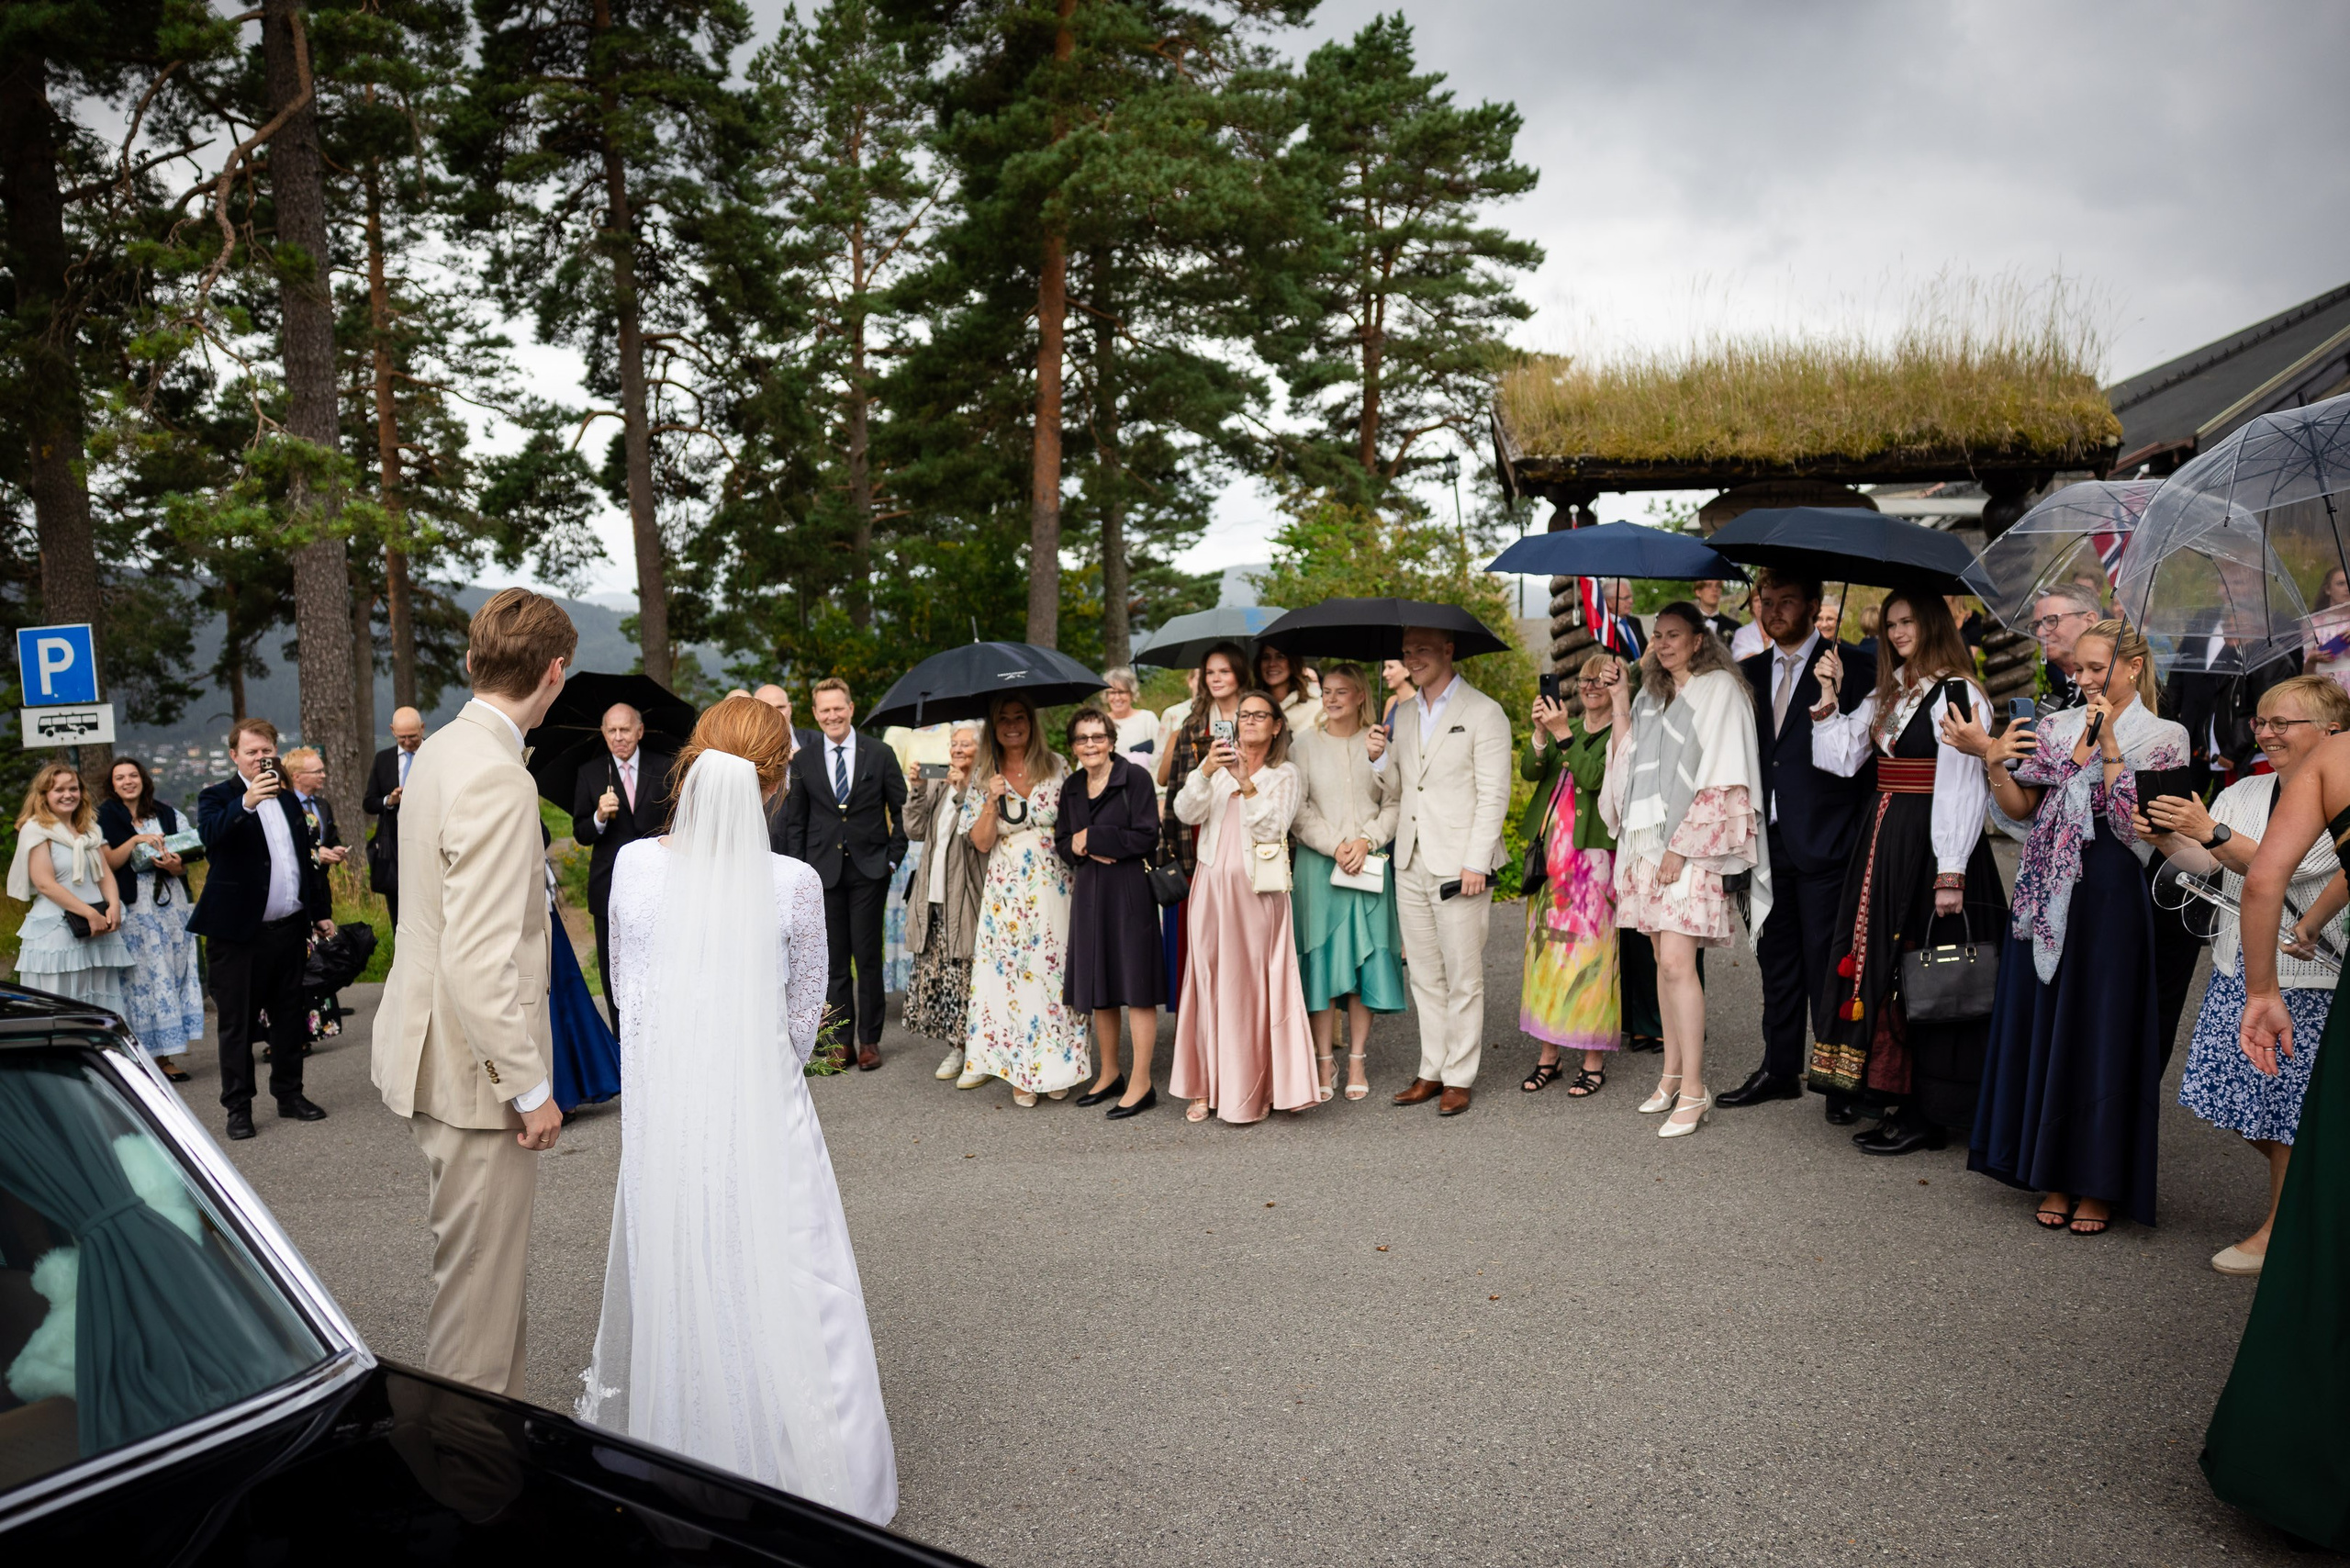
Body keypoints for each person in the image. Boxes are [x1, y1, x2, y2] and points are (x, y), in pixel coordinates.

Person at [579, 694, 897, 1524]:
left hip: (668, 1121)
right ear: (775, 783)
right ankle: (812, 1472)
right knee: (792, 1282)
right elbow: (800, 1024)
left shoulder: (634, 869)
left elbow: (629, 1000)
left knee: (687, 1273)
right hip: (764, 1116)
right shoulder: (793, 885)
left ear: (690, 764)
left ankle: (692, 1454)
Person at [371, 588, 576, 1395]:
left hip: (429, 1050)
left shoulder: (441, 750)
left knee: (483, 1291)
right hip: (473, 1076)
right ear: (554, 672)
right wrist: (528, 1088)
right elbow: (478, 958)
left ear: (470, 661)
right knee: (476, 1316)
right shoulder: (497, 778)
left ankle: (494, 1451)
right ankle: (466, 1464)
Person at [1961, 619, 2187, 1236]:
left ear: (2133, 668)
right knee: (2047, 1021)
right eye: (2076, 668)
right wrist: (1995, 763)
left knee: (2099, 1028)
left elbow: (2136, 828)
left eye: (2095, 668)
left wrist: (2108, 743)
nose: (2082, 678)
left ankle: (2098, 1181)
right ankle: (2051, 1171)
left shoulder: (2166, 735)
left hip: (2112, 892)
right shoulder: (2054, 727)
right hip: (2044, 888)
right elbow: (2020, 814)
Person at [2139, 675, 2350, 1274]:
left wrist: (2212, 831)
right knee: (2228, 1097)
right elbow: (2206, 865)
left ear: (2332, 733)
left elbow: (2290, 869)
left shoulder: (2340, 795)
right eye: (2261, 721)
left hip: (2306, 976)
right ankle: (2313, 1195)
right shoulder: (2246, 789)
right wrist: (2168, 837)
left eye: (2283, 723)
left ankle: (2281, 1232)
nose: (2266, 733)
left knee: (2286, 1113)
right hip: (2239, 966)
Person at [2200, 727, 2350, 1551]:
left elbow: (2264, 881)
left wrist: (2262, 991)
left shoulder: (2334, 757)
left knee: (2335, 1217)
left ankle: (2303, 1465)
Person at [1807, 590, 2006, 1155]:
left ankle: (1930, 1111)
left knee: (1930, 970)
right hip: (1885, 838)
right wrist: (1829, 694)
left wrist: (1951, 871)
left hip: (1932, 845)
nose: (1897, 633)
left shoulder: (1958, 692)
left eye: (1909, 621)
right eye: (1891, 624)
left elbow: (1961, 786)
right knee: (1888, 967)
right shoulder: (1892, 690)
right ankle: (1896, 1097)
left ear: (1934, 623)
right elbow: (1839, 758)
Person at [1601, 603, 1771, 1139]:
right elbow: (1626, 767)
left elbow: (1725, 776)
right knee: (1661, 960)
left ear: (1699, 639)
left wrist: (1681, 846)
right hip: (1645, 846)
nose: (1664, 643)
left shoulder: (1720, 690)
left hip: (1692, 847)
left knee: (1678, 962)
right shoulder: (1651, 696)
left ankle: (1695, 1089)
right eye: (1658, 635)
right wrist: (1621, 701)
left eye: (1674, 634)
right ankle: (1671, 1075)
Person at [1720, 570, 1876, 1119]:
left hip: (1829, 843)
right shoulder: (1745, 674)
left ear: (1814, 605)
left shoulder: (1855, 667)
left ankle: (1838, 1081)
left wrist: (1857, 834)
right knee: (1776, 962)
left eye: (1787, 600)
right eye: (1767, 601)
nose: (1774, 610)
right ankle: (1779, 1068)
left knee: (1829, 966)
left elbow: (1868, 761)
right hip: (1764, 842)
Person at [1379, 624, 1513, 1116]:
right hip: (1410, 858)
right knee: (1425, 976)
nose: (1412, 658)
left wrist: (1476, 860)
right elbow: (1400, 788)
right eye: (1407, 651)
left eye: (1422, 650)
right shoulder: (1403, 712)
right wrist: (1378, 759)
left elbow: (1494, 793)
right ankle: (1431, 1069)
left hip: (1460, 864)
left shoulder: (1484, 711)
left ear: (1448, 650)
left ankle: (1459, 1075)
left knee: (1463, 975)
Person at [1170, 689, 1314, 1123]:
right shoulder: (1214, 768)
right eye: (1243, 714)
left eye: (1259, 715)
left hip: (1258, 893)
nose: (1249, 721)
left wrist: (1246, 783)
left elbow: (1273, 829)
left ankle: (1258, 1087)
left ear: (1276, 726)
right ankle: (1203, 1085)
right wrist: (1206, 770)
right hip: (1211, 889)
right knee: (1208, 981)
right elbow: (1184, 812)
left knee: (1252, 988)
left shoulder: (1285, 774)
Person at [190, 719, 335, 1141]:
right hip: (237, 935)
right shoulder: (217, 797)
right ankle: (238, 1107)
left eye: (266, 751)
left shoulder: (288, 800)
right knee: (237, 1024)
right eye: (251, 752)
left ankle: (290, 1095)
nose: (260, 758)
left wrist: (319, 912)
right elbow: (210, 838)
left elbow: (304, 860)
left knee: (289, 1018)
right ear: (234, 756)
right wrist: (247, 802)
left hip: (288, 930)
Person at [958, 695, 1091, 1103]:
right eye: (1004, 719)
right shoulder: (983, 775)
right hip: (1008, 889)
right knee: (1014, 976)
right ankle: (1022, 1070)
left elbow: (1077, 819)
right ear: (993, 727)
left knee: (1056, 971)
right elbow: (981, 842)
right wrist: (990, 799)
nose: (1012, 725)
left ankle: (1060, 1066)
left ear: (1031, 723)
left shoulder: (1056, 765)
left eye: (1020, 718)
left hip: (1056, 883)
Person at [779, 678, 908, 1070]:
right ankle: (839, 1041)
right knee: (832, 961)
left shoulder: (879, 753)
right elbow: (797, 822)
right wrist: (800, 873)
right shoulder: (804, 760)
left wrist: (892, 859)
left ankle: (869, 1040)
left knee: (868, 958)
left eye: (838, 708)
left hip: (870, 870)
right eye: (825, 710)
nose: (832, 715)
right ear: (815, 714)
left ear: (850, 709)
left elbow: (901, 810)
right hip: (823, 874)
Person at [1289, 662, 1403, 1103]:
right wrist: (1335, 845)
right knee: (1321, 962)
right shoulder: (1303, 745)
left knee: (1364, 960)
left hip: (1368, 864)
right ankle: (1324, 1060)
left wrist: (1366, 840)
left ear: (1360, 696)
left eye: (1341, 691)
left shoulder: (1380, 742)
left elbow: (1395, 802)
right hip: (1320, 867)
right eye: (1327, 691)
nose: (1332, 699)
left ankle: (1356, 1059)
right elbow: (1298, 810)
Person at [1518, 654, 1625, 1098]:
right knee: (1546, 956)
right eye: (1584, 679)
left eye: (1601, 680)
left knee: (1591, 960)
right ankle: (1549, 1055)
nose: (1591, 686)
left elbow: (1597, 779)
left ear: (1617, 686)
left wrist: (1563, 735)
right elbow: (1530, 771)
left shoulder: (1621, 734)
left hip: (1592, 865)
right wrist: (1542, 734)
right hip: (1551, 861)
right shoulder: (1571, 728)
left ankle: (1592, 1059)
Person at [1057, 708, 1167, 1117]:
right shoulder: (1072, 786)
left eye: (1098, 737)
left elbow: (1147, 836)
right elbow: (1063, 842)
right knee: (1099, 986)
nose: (1091, 745)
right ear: (1073, 746)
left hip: (1129, 890)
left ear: (1111, 741)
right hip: (1089, 893)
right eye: (1082, 738)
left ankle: (1142, 1082)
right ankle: (1109, 1073)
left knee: (1137, 987)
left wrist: (1093, 838)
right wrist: (1078, 845)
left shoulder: (1134, 777)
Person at [573, 703, 678, 1043]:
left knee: (661, 967)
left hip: (660, 886)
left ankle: (662, 1040)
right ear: (604, 734)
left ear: (639, 731)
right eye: (612, 731)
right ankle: (623, 1047)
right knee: (614, 972)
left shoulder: (664, 768)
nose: (619, 737)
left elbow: (677, 822)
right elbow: (581, 833)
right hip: (609, 888)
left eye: (625, 729)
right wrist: (599, 817)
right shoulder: (590, 773)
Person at [1157, 642, 1253, 1002]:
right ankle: (1201, 1012)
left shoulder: (1256, 715)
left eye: (1224, 671)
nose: (1216, 678)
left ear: (1240, 673)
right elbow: (1175, 784)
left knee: (1243, 930)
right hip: (1198, 829)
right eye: (1210, 672)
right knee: (1200, 929)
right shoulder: (1194, 723)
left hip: (1246, 824)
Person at [97, 757, 203, 1079]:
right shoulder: (103, 817)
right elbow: (108, 863)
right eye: (120, 777)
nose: (128, 781)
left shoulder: (167, 814)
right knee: (138, 981)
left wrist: (174, 866)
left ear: (143, 779)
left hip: (170, 905)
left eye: (133, 775)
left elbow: (186, 860)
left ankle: (164, 1058)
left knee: (170, 975)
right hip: (133, 908)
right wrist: (135, 840)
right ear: (112, 785)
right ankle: (137, 1058)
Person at [11, 759, 133, 1016]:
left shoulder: (88, 829)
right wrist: (89, 914)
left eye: (73, 788)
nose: (68, 795)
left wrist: (113, 905)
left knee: (98, 1005)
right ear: (44, 795)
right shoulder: (35, 829)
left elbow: (104, 874)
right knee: (62, 1006)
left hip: (98, 931)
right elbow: (45, 883)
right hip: (58, 931)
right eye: (59, 789)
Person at [905, 726, 985, 1077]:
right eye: (954, 744)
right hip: (933, 896)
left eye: (965, 744)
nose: (957, 749)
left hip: (966, 897)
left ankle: (978, 1053)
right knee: (945, 979)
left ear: (981, 749)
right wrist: (918, 789)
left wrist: (963, 791)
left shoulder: (984, 785)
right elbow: (914, 830)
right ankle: (957, 1048)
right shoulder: (938, 784)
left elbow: (977, 837)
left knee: (967, 976)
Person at [364, 706, 426, 926]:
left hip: (428, 838)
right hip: (394, 843)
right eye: (402, 738)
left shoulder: (434, 753)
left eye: (413, 737)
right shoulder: (383, 759)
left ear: (422, 728)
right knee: (398, 911)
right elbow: (369, 803)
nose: (408, 742)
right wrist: (389, 801)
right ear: (392, 731)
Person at [2302, 566, 2350, 694]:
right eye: (2341, 583)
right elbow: (2305, 676)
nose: (2347, 588)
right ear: (2328, 589)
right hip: (2326, 690)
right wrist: (2312, 660)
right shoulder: (2312, 622)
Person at [1102, 666, 1160, 769]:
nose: (1117, 698)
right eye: (1112, 692)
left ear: (1132, 694)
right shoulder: (1100, 722)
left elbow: (1161, 754)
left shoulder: (1147, 718)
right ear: (1106, 696)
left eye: (1121, 692)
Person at [1256, 642, 1323, 732]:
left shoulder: (1316, 707)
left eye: (1280, 657)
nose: (1272, 664)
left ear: (1293, 662)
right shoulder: (1250, 706)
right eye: (1266, 657)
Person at [1691, 577, 1740, 644]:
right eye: (1709, 586)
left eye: (1718, 586)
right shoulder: (1688, 624)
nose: (1715, 589)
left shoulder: (1735, 627)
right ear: (1698, 592)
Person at [1379, 658, 1416, 728]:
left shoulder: (1420, 703)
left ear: (1407, 671)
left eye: (1390, 667)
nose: (1384, 673)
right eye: (1385, 667)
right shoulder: (1391, 702)